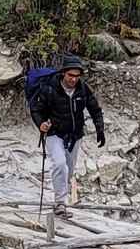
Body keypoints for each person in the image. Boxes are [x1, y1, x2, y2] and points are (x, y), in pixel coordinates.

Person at [28, 55, 106, 216]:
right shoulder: (49, 88)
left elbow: (95, 109)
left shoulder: (83, 89)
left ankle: (61, 197)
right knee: (59, 164)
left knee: (68, 171)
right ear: (63, 73)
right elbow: (36, 109)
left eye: (77, 76)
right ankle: (60, 203)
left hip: (75, 134)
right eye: (70, 75)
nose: (73, 79)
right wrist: (41, 124)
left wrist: (100, 129)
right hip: (54, 133)